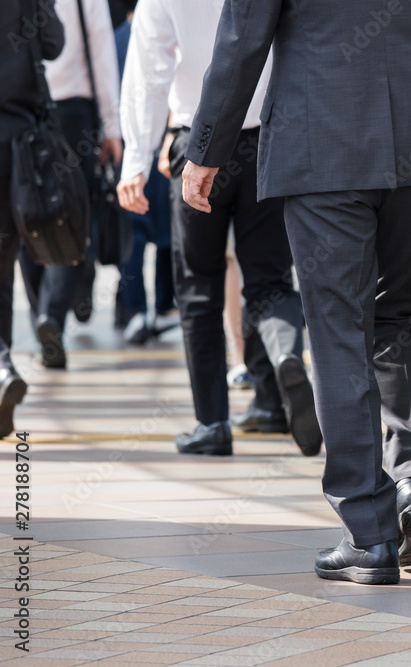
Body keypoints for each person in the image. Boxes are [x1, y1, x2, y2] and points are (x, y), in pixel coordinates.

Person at [182, 0, 411, 584]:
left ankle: (369, 533)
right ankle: (410, 481)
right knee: (399, 315)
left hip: (320, 146)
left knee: (337, 331)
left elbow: (242, 39)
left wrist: (207, 150)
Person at [117, 0, 321, 458]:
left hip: (198, 143)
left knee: (199, 287)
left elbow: (149, 72)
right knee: (270, 279)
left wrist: (136, 159)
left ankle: (212, 423)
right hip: (270, 139)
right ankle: (283, 363)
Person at [20, 0, 122, 370]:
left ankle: (41, 318)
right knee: (74, 215)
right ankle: (52, 315)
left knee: (26, 213)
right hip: (73, 115)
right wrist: (113, 128)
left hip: (23, 113)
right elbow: (102, 56)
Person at [0, 0, 64, 436]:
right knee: (3, 265)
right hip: (16, 146)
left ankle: (1, 364)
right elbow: (53, 44)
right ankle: (1, 363)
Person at [112, 1, 177, 345]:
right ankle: (166, 304)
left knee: (133, 237)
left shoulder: (116, 38)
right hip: (168, 145)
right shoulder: (172, 31)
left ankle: (133, 309)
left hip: (129, 150)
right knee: (170, 236)